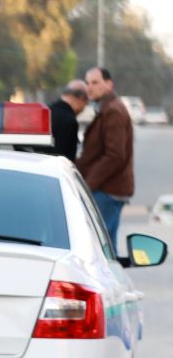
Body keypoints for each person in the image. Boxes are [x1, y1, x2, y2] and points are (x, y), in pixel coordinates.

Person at [77, 66, 135, 246]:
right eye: (87, 83)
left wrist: (88, 184)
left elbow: (115, 155)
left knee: (98, 247)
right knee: (106, 247)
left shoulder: (113, 111)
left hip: (107, 191)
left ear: (109, 85)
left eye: (95, 82)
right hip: (108, 190)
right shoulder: (106, 108)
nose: (89, 87)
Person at [47, 80, 88, 162]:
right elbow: (66, 161)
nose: (84, 108)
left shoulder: (47, 111)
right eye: (86, 102)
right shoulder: (69, 122)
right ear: (81, 98)